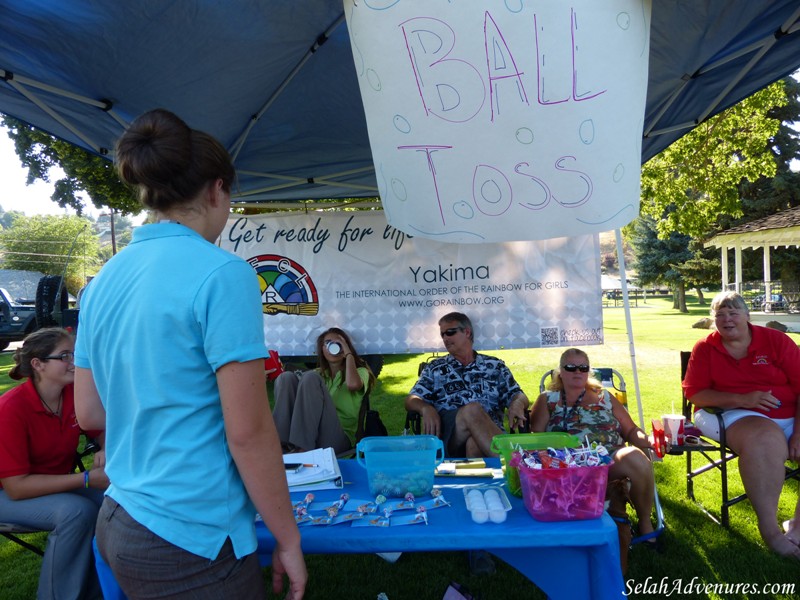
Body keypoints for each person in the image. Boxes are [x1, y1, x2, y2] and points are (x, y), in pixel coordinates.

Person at [73, 109, 307, 598]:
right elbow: (249, 431)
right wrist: (288, 537)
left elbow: (89, 410)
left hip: (121, 514)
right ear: (217, 190)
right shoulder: (223, 273)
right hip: (188, 533)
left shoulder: (103, 280)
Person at [683, 290, 800, 559]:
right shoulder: (706, 348)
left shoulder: (776, 341)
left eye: (733, 312)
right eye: (719, 315)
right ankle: (771, 532)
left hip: (790, 414)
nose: (727, 319)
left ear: (747, 316)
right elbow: (696, 393)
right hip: (726, 412)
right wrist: (743, 399)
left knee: (773, 435)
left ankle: (797, 528)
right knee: (765, 438)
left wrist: (798, 435)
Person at [0, 327, 109, 600]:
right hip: (8, 493)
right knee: (76, 512)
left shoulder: (73, 394)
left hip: (52, 486)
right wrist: (85, 479)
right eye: (65, 356)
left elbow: (100, 427)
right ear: (38, 364)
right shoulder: (11, 410)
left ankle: (98, 593)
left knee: (114, 501)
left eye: (75, 353)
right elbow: (15, 487)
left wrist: (105, 447)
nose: (75, 361)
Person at [529, 348, 656, 541]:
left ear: (588, 371)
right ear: (560, 372)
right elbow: (536, 438)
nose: (577, 371)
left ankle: (645, 522)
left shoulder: (604, 396)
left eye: (583, 367)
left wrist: (651, 441)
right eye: (571, 367)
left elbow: (631, 430)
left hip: (609, 459)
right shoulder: (547, 399)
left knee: (636, 458)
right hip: (568, 466)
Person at [405, 312, 529, 457]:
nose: (445, 338)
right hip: (449, 436)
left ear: (467, 332)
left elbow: (519, 395)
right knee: (472, 410)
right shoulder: (435, 368)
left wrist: (517, 403)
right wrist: (425, 408)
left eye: (450, 332)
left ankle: (489, 476)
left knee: (474, 444)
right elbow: (411, 400)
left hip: (489, 434)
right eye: (442, 334)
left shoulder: (494, 366)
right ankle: (517, 465)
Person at [272, 327, 375, 454]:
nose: (333, 346)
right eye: (327, 343)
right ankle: (279, 446)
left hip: (338, 437)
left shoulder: (360, 372)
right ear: (321, 349)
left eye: (338, 342)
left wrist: (349, 355)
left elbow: (353, 385)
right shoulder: (318, 374)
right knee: (285, 377)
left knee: (310, 377)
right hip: (314, 433)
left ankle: (303, 449)